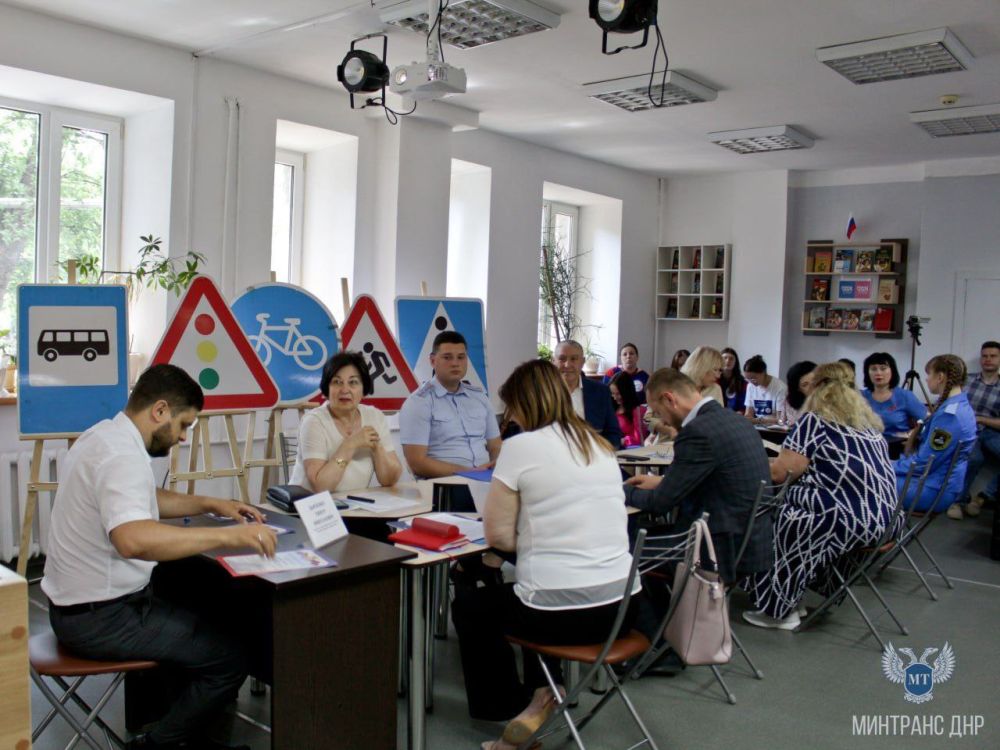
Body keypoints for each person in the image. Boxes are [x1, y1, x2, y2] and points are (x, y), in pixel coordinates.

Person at [41, 364, 278, 750]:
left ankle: (183, 732)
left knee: (199, 614)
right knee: (230, 659)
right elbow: (133, 539)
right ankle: (157, 744)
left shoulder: (104, 437)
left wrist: (212, 503)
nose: (183, 437)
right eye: (184, 425)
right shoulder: (120, 455)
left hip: (77, 608)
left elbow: (145, 499)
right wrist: (230, 537)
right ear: (161, 410)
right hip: (100, 618)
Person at [450, 360, 640, 748]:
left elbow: (499, 534)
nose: (511, 417)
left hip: (561, 618)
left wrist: (541, 538)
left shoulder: (520, 447)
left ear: (526, 404)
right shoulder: (598, 444)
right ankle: (543, 690)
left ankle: (510, 707)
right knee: (535, 586)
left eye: (513, 408)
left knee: (474, 604)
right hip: (624, 609)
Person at [743, 363, 898, 630]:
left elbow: (782, 473)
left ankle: (779, 610)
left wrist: (751, 461)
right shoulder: (867, 427)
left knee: (777, 518)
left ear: (816, 391)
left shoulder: (815, 421)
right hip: (883, 520)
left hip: (846, 519)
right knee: (792, 512)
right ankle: (794, 597)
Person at [624, 368, 772, 585]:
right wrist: (665, 481)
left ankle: (656, 618)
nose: (662, 421)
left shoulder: (696, 432)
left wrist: (623, 491)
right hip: (750, 539)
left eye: (659, 412)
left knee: (621, 550)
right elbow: (721, 478)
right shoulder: (734, 420)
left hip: (714, 548)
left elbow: (659, 503)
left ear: (669, 399)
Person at [290, 351, 402, 491]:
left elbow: (389, 480)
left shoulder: (375, 416)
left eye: (353, 382)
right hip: (310, 506)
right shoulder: (314, 422)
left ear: (363, 388)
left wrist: (378, 448)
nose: (345, 389)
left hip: (354, 505)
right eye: (337, 382)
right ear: (327, 388)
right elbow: (321, 486)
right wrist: (350, 444)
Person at [399, 330, 502, 478]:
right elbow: (417, 463)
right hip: (446, 485)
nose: (455, 363)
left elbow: (495, 445)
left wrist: (497, 467)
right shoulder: (419, 402)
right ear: (433, 361)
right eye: (447, 357)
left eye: (461, 357)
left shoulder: (480, 397)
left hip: (487, 479)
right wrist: (470, 472)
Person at [895, 355, 978, 516]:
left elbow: (923, 464)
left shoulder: (949, 416)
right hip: (936, 484)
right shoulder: (958, 405)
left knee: (866, 482)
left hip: (932, 489)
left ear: (940, 377)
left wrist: (886, 467)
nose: (926, 380)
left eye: (929, 374)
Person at [957, 340, 1000, 517]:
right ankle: (958, 501)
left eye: (993, 356)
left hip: (991, 433)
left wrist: (980, 418)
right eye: (984, 356)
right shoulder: (966, 380)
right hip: (968, 431)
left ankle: (984, 496)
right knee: (974, 459)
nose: (988, 359)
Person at [553, 339, 622, 448]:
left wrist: (600, 452)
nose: (567, 364)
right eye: (562, 359)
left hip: (591, 458)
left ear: (582, 362)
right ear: (554, 361)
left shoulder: (601, 392)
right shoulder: (541, 393)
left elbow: (613, 434)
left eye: (574, 359)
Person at [860, 352, 927, 436]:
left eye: (883, 368)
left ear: (892, 371)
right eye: (873, 369)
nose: (878, 373)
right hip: (867, 445)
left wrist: (910, 434)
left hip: (896, 445)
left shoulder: (905, 396)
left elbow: (927, 421)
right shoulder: (860, 396)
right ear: (867, 373)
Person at [743, 354, 788, 424]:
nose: (751, 382)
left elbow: (781, 419)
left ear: (763, 373)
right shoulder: (750, 386)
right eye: (748, 379)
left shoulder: (780, 387)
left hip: (775, 429)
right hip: (758, 427)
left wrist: (758, 420)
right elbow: (748, 414)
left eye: (753, 378)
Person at [609, 369, 646, 447]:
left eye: (618, 394)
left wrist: (622, 441)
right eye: (612, 394)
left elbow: (638, 439)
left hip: (630, 450)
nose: (615, 397)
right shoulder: (612, 407)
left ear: (626, 392)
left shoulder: (637, 411)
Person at [720, 347, 748, 413]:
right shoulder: (713, 380)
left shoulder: (743, 382)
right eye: (725, 358)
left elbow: (745, 406)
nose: (728, 361)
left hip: (735, 417)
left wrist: (740, 412)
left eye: (731, 359)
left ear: (736, 362)